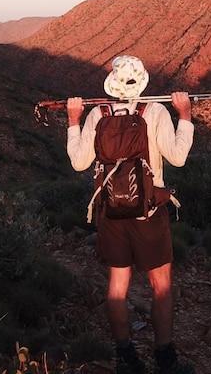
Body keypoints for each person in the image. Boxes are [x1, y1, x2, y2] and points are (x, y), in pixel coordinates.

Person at [66, 55, 195, 374]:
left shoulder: (97, 113)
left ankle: (125, 357)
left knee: (117, 284)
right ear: (142, 82)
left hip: (110, 212)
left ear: (112, 82)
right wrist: (185, 115)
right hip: (149, 212)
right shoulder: (155, 111)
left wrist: (73, 121)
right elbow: (177, 158)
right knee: (161, 284)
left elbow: (79, 163)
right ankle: (165, 359)